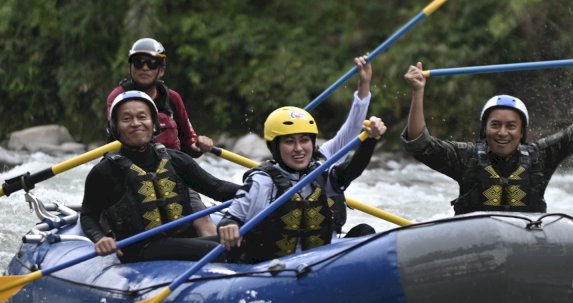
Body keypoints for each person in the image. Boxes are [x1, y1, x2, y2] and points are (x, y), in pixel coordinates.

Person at [402, 51, 573, 215]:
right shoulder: (466, 158)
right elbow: (421, 145)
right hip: (475, 241)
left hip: (526, 243)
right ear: (484, 129)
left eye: (511, 126)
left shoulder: (540, 156)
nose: (502, 132)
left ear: (522, 131)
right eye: (495, 125)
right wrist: (418, 91)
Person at [82, 90, 240, 263]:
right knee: (221, 249)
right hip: (140, 249)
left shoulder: (175, 160)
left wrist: (256, 186)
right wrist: (99, 238)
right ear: (115, 127)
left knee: (243, 241)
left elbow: (218, 188)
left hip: (184, 242)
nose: (136, 123)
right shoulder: (105, 171)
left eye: (142, 117)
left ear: (154, 123)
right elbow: (88, 215)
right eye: (126, 119)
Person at [217, 107, 387, 264]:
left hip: (319, 263)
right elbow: (230, 219)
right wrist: (229, 227)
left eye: (305, 140)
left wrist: (370, 141)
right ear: (274, 147)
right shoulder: (261, 181)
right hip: (270, 268)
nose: (299, 148)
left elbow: (351, 170)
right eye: (289, 142)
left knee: (365, 232)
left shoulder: (320, 174)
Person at [106, 37, 217, 237]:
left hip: (174, 175)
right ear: (131, 67)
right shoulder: (118, 98)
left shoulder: (173, 99)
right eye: (139, 62)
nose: (145, 68)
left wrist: (198, 145)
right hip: (131, 178)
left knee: (204, 220)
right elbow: (124, 138)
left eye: (152, 63)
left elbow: (188, 145)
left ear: (161, 70)